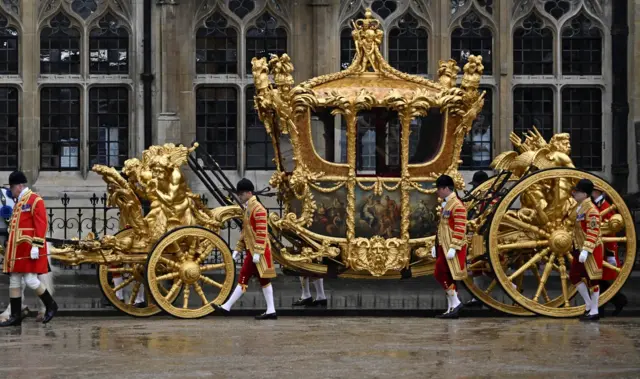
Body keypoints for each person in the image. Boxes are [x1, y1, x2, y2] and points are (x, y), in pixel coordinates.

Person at [213, 178, 278, 320]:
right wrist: (237, 249)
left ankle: (227, 307)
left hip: (257, 252)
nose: (239, 196)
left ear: (249, 193)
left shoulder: (258, 209)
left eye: (241, 194)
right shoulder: (249, 208)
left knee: (244, 277)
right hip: (253, 251)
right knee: (263, 281)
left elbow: (262, 232)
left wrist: (258, 252)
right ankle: (271, 310)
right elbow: (245, 232)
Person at [0, 171, 58, 326]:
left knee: (31, 280)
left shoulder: (34, 200)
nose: (11, 190)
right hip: (17, 249)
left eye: (12, 187)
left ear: (18, 186)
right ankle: (15, 316)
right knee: (15, 280)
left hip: (28, 248)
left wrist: (36, 246)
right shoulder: (20, 202)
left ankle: (51, 305)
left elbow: (41, 224)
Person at [431, 175, 467, 319]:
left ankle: (456, 303)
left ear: (446, 188)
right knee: (448, 277)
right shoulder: (448, 204)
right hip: (443, 246)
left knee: (439, 273)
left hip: (452, 248)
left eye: (439, 189)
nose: (438, 192)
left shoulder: (457, 205)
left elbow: (460, 228)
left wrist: (454, 247)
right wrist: (436, 245)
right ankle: (452, 308)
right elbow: (442, 227)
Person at [569, 179, 603, 322]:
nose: (574, 194)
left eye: (577, 191)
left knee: (592, 279)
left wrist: (586, 250)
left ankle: (594, 310)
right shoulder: (581, 207)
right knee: (574, 276)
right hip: (579, 248)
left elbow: (593, 232)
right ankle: (589, 305)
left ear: (584, 193)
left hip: (591, 249)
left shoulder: (592, 210)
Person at [592, 185, 627, 316]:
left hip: (605, 250)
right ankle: (618, 301)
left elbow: (610, 234)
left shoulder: (605, 207)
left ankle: (606, 305)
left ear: (597, 192)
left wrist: (610, 254)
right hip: (598, 248)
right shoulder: (598, 205)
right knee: (599, 280)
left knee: (599, 280)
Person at [464, 171, 488, 308]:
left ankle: (513, 288)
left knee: (485, 266)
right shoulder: (480, 200)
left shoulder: (490, 200)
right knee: (476, 266)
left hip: (483, 237)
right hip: (477, 236)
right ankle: (478, 296)